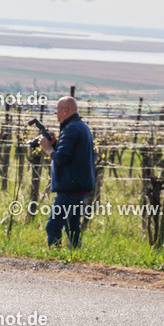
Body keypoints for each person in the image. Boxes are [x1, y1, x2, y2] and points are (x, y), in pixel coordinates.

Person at [38, 95, 95, 248]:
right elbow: (71, 154)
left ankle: (55, 258)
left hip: (70, 187)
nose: (55, 113)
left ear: (65, 110)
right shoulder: (80, 126)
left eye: (57, 109)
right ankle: (74, 255)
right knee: (72, 224)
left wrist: (48, 149)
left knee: (54, 225)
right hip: (79, 186)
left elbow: (61, 158)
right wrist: (56, 143)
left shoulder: (71, 129)